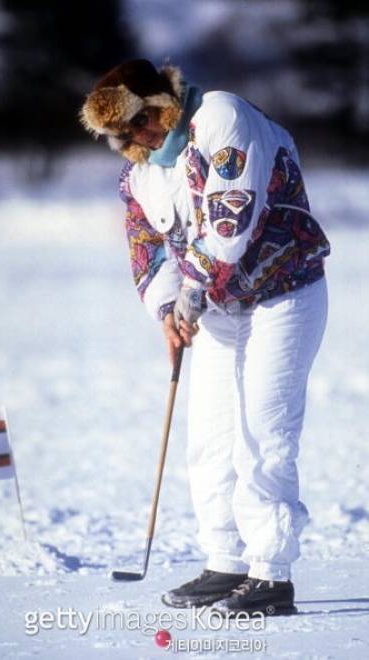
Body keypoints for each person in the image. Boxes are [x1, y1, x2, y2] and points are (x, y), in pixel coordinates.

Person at [80, 59, 330, 616]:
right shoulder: (140, 175)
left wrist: (192, 292)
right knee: (211, 439)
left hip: (283, 293)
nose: (138, 138)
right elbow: (145, 246)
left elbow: (228, 225)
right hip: (217, 309)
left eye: (142, 121)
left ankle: (271, 573)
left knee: (262, 430)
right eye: (123, 135)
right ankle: (225, 563)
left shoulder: (221, 116)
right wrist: (168, 308)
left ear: (162, 100)